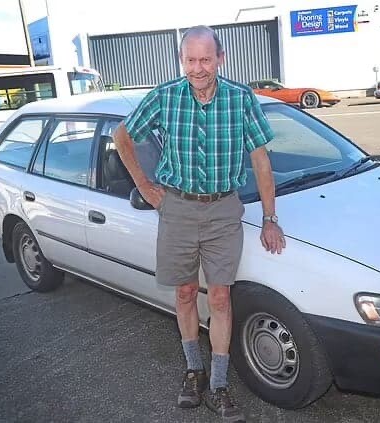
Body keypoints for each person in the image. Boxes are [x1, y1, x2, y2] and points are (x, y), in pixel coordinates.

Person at [113, 25, 285, 422]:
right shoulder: (166, 96)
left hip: (224, 209)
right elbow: (123, 134)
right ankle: (194, 370)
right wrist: (145, 184)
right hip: (178, 208)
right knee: (187, 293)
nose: (198, 68)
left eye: (205, 59)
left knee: (221, 297)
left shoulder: (240, 99)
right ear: (182, 60)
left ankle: (219, 384)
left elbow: (261, 161)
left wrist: (270, 218)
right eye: (190, 60)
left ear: (220, 59)